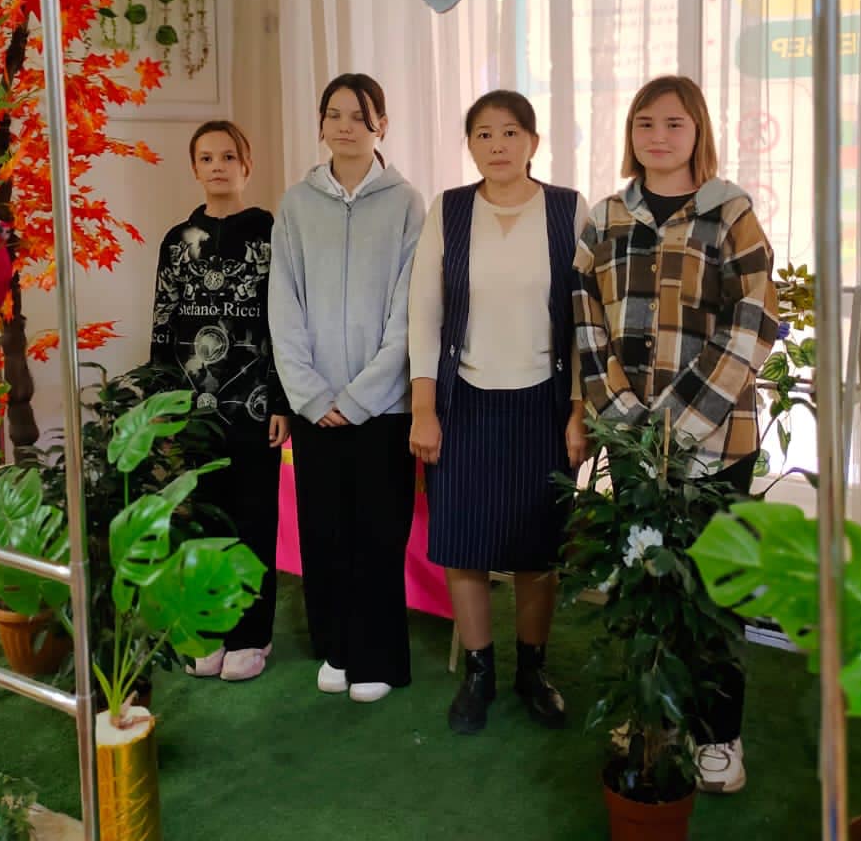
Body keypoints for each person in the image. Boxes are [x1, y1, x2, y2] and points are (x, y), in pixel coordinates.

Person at [573, 74, 780, 794]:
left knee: (714, 588)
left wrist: (678, 423)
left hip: (717, 440)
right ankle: (651, 713)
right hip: (630, 436)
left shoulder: (730, 212)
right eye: (644, 124)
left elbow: (755, 318)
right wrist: (627, 418)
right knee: (646, 577)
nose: (657, 137)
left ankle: (717, 732)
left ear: (698, 132)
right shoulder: (604, 220)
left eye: (673, 124)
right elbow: (584, 321)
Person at [407, 90, 590, 736]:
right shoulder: (450, 209)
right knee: (464, 545)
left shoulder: (567, 209)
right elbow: (424, 312)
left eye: (510, 132)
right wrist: (423, 408)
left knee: (538, 549)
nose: (497, 145)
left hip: (544, 399)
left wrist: (578, 410)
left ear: (533, 142)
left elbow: (584, 321)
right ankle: (479, 673)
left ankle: (531, 670)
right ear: (470, 145)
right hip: (464, 401)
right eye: (483, 134)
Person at [269, 73, 426, 703]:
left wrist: (361, 397)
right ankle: (336, 646)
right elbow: (284, 305)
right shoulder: (296, 204)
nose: (345, 126)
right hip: (316, 408)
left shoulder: (407, 203)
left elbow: (410, 309)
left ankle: (377, 656)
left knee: (378, 533)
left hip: (382, 408)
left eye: (359, 116)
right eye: (334, 114)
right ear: (321, 124)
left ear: (381, 124)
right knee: (325, 531)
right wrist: (311, 395)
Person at [150, 120, 289, 682]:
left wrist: (282, 400)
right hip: (193, 412)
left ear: (246, 165)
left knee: (254, 521)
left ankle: (253, 636)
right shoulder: (176, 242)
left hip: (255, 407)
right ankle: (209, 629)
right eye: (206, 158)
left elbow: (285, 324)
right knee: (204, 522)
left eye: (228, 156)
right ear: (194, 168)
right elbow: (162, 326)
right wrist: (161, 403)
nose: (217, 166)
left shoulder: (271, 235)